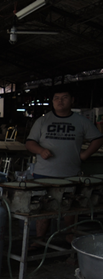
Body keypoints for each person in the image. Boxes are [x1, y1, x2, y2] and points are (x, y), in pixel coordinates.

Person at [26, 85, 103, 242]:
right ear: (52, 102)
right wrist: (40, 150)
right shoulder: (42, 120)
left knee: (70, 209)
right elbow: (29, 143)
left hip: (70, 174)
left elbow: (98, 139)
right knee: (42, 209)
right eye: (56, 98)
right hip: (43, 174)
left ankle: (71, 242)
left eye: (64, 97)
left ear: (72, 100)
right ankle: (40, 241)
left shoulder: (81, 121)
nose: (60, 101)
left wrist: (85, 154)